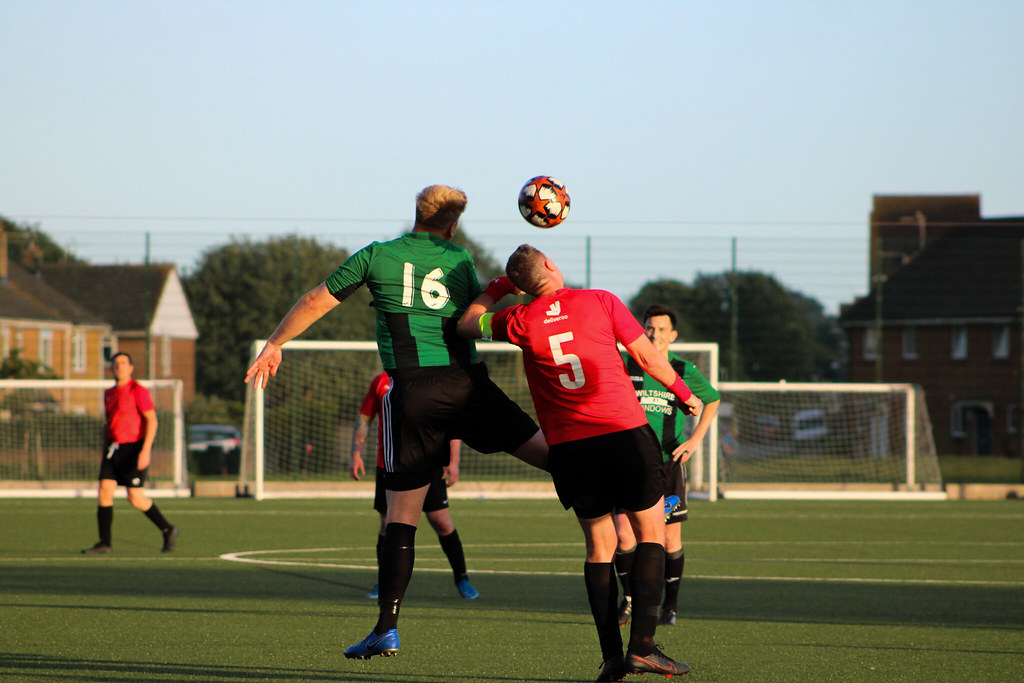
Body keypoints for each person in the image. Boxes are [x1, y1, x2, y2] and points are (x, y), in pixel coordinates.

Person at [244, 185, 546, 660]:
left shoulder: (376, 255)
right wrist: (504, 288)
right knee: (552, 455)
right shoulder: (458, 258)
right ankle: (638, 489)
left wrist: (276, 342)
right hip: (466, 384)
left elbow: (316, 299)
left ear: (417, 215)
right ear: (452, 224)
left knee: (400, 518)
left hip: (413, 393)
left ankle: (387, 628)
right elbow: (473, 318)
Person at [457, 244, 702, 681]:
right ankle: (642, 647)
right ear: (551, 265)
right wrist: (685, 395)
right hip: (624, 433)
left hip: (570, 448)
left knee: (599, 546)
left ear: (520, 285)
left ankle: (611, 657)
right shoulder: (600, 300)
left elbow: (464, 324)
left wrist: (497, 289)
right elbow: (647, 356)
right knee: (651, 532)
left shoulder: (518, 319)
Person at [613, 304, 721, 629]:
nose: (654, 334)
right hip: (627, 464)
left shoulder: (682, 369)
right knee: (623, 537)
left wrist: (695, 440)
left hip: (668, 463)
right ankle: (629, 599)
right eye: (649, 327)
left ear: (672, 335)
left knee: (669, 540)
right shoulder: (624, 365)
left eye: (661, 329)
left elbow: (712, 399)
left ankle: (669, 608)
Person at [350, 371, 479, 601]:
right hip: (389, 464)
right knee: (387, 525)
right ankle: (384, 582)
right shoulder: (380, 381)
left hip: (428, 462)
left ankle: (462, 577)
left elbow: (450, 421)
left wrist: (454, 460)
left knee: (441, 520)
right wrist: (356, 453)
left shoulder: (429, 378)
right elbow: (365, 416)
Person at [81, 352, 178, 554]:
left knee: (135, 498)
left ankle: (167, 529)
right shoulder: (108, 393)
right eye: (116, 363)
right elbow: (108, 424)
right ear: (111, 368)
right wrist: (104, 449)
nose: (119, 367)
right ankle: (104, 543)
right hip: (112, 448)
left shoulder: (138, 390)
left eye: (123, 363)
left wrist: (146, 450)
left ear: (131, 368)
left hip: (134, 448)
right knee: (104, 491)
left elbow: (152, 420)